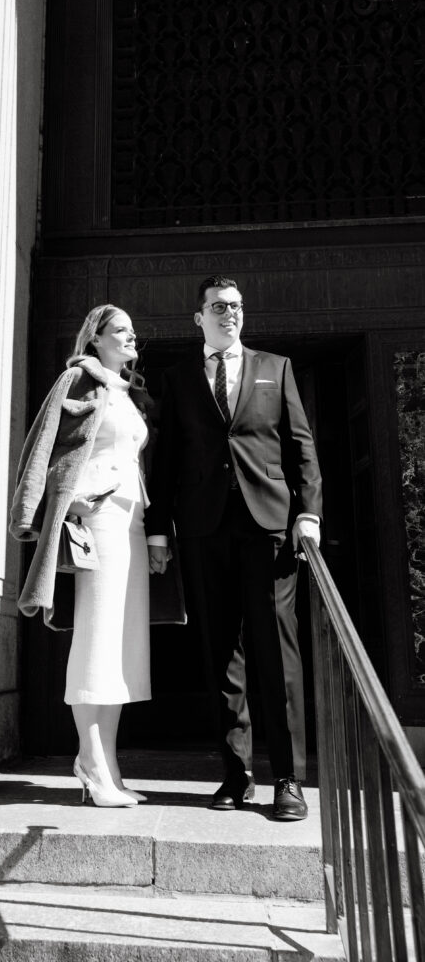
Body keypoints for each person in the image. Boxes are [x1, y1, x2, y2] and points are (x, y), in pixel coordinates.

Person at [145, 275, 322, 821]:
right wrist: (158, 530)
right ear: (198, 317)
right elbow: (167, 459)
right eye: (219, 307)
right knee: (221, 653)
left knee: (276, 650)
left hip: (268, 527)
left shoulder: (276, 368)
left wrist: (308, 512)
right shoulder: (177, 378)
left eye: (237, 306)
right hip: (203, 528)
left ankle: (288, 779)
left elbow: (300, 446)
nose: (230, 314)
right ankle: (235, 774)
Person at [10, 305, 152, 808]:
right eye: (121, 330)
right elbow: (42, 445)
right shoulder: (77, 379)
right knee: (96, 640)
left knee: (120, 645)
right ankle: (91, 763)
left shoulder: (126, 392)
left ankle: (107, 766)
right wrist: (51, 504)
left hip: (131, 523)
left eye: (133, 330)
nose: (132, 335)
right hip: (98, 521)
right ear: (96, 338)